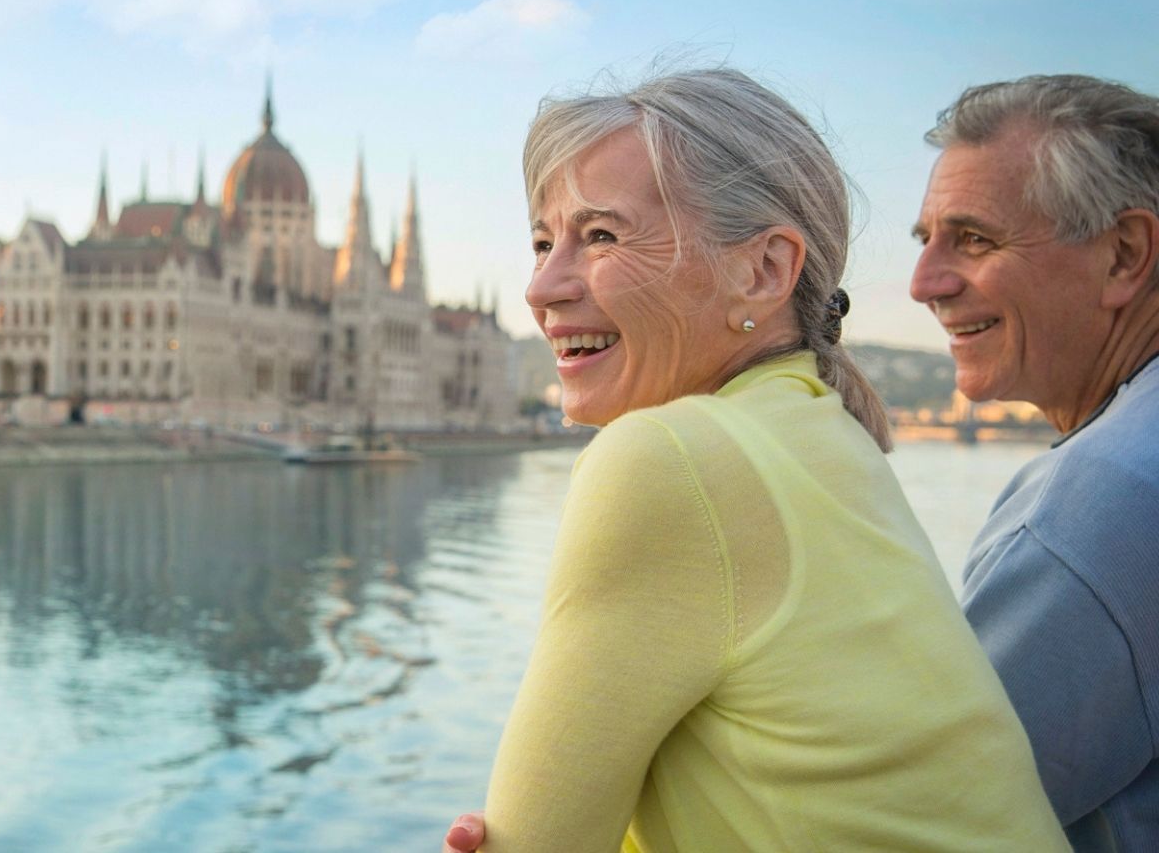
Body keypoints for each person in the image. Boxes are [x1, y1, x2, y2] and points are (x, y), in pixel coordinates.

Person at [446, 69, 1063, 852]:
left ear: (764, 270)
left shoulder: (670, 459)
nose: (541, 287)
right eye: (543, 242)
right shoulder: (822, 431)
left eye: (602, 236)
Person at [910, 74, 1159, 852]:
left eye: (974, 239)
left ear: (1125, 255)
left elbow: (920, 823)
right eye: (926, 240)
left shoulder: (1102, 501)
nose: (923, 284)